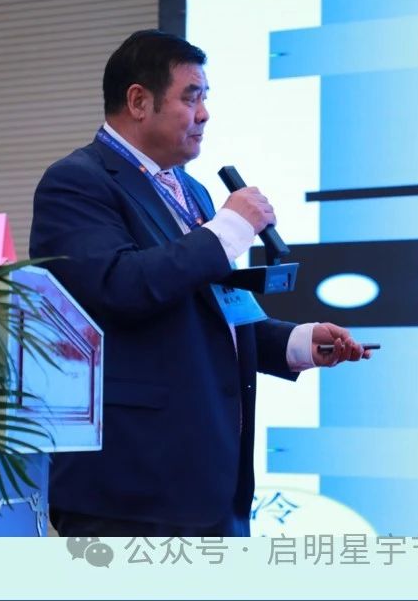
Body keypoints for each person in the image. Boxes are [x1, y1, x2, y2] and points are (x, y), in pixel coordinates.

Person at [30, 29, 371, 537]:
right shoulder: (78, 182)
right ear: (138, 102)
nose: (205, 114)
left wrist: (297, 343)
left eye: (205, 97)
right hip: (131, 487)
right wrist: (230, 228)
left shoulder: (190, 189)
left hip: (206, 478)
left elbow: (209, 307)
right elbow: (120, 287)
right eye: (191, 97)